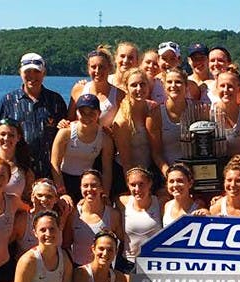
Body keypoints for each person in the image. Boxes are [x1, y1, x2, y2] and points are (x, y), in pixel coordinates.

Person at [0, 53, 67, 179]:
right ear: (20, 73)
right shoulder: (8, 101)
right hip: (18, 171)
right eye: (28, 71)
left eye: (36, 71)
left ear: (44, 73)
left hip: (50, 171)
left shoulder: (55, 100)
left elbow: (65, 134)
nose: (32, 76)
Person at [51, 94, 114, 202]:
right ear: (76, 112)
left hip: (87, 183)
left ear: (99, 113)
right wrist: (62, 192)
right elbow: (55, 163)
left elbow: (107, 169)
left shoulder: (105, 139)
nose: (87, 117)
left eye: (91, 113)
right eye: (82, 113)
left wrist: (105, 194)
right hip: (63, 180)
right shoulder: (66, 132)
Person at [148, 67, 202, 175]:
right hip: (169, 172)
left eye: (178, 82)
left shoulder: (197, 109)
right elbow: (156, 154)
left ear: (186, 86)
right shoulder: (155, 115)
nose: (173, 86)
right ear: (164, 86)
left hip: (196, 170)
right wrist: (168, 173)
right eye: (169, 82)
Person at [64, 170, 124, 267]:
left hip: (104, 270)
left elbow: (124, 242)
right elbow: (66, 245)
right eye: (85, 185)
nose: (89, 189)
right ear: (80, 188)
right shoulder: (73, 214)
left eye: (94, 185)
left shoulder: (113, 215)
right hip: (78, 270)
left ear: (101, 188)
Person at [113, 68, 155, 197]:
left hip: (150, 171)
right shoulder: (122, 121)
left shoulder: (153, 107)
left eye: (142, 84)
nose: (139, 89)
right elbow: (127, 162)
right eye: (133, 85)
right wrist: (133, 188)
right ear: (126, 88)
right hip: (127, 175)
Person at [118, 167, 163, 273]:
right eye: (133, 185)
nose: (137, 189)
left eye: (141, 184)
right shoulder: (122, 202)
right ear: (128, 186)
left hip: (154, 264)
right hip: (128, 263)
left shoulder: (161, 203)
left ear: (150, 184)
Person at [66, 47, 124, 129]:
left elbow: (122, 127)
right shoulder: (78, 90)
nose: (97, 71)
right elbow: (69, 121)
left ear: (109, 68)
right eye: (93, 67)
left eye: (101, 67)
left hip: (105, 141)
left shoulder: (119, 95)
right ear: (88, 69)